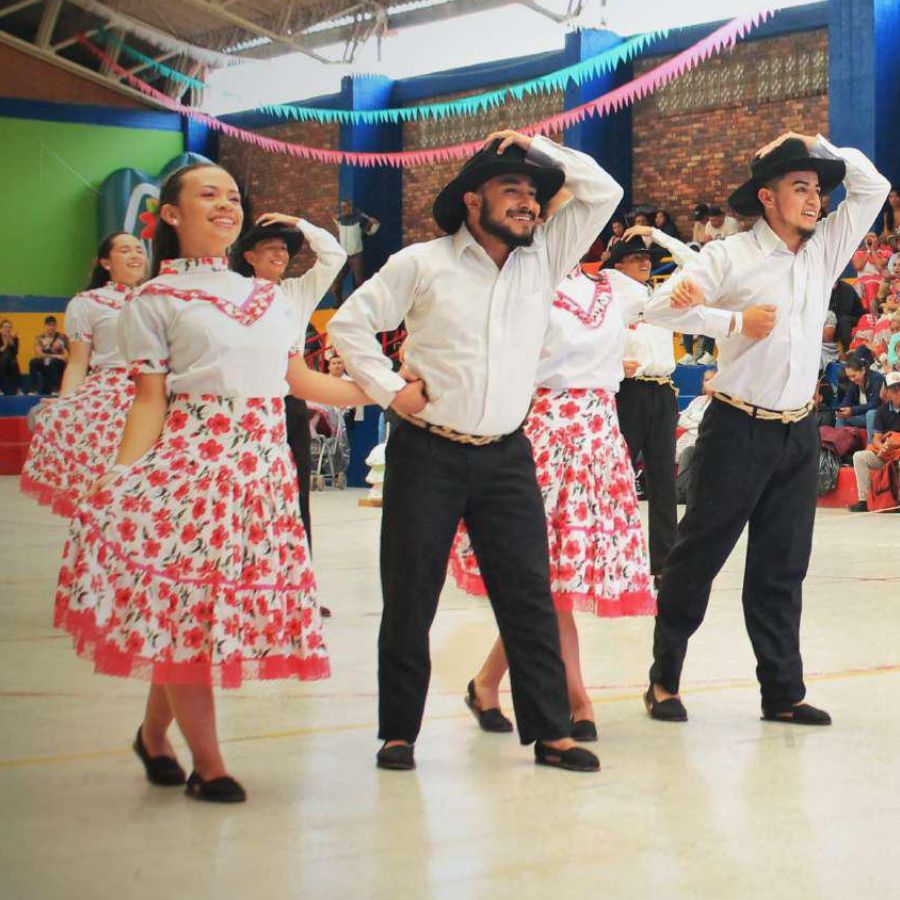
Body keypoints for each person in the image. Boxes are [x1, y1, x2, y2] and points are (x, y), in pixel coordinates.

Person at [53, 163, 371, 803]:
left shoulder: (269, 298)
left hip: (262, 470)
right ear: (170, 215)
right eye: (208, 195)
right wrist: (118, 481)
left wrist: (388, 393)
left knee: (187, 620)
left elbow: (300, 382)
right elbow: (147, 401)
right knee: (190, 612)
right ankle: (210, 762)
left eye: (232, 196)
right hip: (190, 467)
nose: (226, 205)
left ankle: (151, 735)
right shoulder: (152, 303)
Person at [330, 129, 622, 774]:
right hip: (428, 451)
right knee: (411, 595)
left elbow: (605, 190)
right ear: (471, 200)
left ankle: (551, 733)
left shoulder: (543, 256)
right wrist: (386, 391)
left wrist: (539, 146)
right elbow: (350, 323)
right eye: (510, 189)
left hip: (506, 454)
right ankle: (398, 733)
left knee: (528, 593)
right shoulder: (421, 262)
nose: (527, 202)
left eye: (533, 193)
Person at [641, 130, 889, 725]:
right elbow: (659, 309)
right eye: (800, 187)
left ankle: (782, 692)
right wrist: (732, 322)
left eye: (817, 189)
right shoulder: (729, 257)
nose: (815, 200)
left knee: (782, 566)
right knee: (698, 555)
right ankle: (663, 680)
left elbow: (873, 185)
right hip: (737, 427)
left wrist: (820, 145)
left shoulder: (824, 248)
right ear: (766, 197)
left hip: (798, 432)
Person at [449, 255, 660, 742]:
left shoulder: (620, 289)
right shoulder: (531, 285)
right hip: (546, 432)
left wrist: (729, 319)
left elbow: (677, 309)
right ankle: (576, 698)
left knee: (555, 582)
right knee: (546, 580)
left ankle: (485, 683)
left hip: (601, 436)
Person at [230, 211, 346, 551]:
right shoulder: (235, 294)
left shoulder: (299, 291)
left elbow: (335, 255)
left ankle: (299, 578)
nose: (280, 254)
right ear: (250, 257)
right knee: (251, 488)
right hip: (249, 399)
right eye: (270, 248)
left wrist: (297, 222)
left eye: (284, 249)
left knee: (296, 487)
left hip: (291, 396)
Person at [20, 233, 146, 515]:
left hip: (156, 390)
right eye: (125, 250)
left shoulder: (159, 296)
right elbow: (78, 361)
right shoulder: (87, 303)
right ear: (105, 262)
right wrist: (67, 402)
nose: (136, 255)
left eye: (139, 249)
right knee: (108, 486)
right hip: (110, 396)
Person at [611, 225, 699, 584]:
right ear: (618, 266)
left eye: (646, 258)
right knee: (617, 477)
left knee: (663, 479)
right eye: (634, 259)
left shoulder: (662, 297)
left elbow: (694, 261)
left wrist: (656, 235)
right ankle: (612, 557)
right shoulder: (610, 294)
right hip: (628, 390)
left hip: (663, 391)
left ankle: (663, 563)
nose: (643, 264)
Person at [849, 371, 900, 511]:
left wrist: (896, 440)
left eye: (899, 388)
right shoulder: (882, 410)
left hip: (898, 452)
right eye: (893, 389)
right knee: (859, 457)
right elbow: (876, 438)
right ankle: (864, 501)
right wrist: (882, 446)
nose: (897, 392)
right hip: (885, 452)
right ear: (887, 392)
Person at [332, 199, 379, 306]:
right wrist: (336, 218)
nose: (343, 209)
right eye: (342, 207)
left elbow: (370, 231)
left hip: (356, 255)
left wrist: (375, 224)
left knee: (359, 281)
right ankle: (338, 304)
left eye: (345, 207)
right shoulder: (340, 220)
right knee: (337, 281)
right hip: (344, 256)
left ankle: (361, 304)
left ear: (350, 207)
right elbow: (335, 220)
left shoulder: (360, 219)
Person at [837, 353, 885, 444]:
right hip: (862, 416)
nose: (851, 379)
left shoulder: (876, 378)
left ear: (863, 370)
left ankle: (871, 448)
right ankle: (837, 450)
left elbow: (875, 404)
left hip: (877, 417)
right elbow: (848, 398)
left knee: (870, 414)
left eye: (854, 376)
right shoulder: (854, 382)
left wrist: (852, 410)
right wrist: (841, 409)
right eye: (849, 377)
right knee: (841, 417)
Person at [28, 315, 69, 395]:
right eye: (49, 325)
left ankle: (56, 389)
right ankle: (33, 389)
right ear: (45, 326)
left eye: (53, 325)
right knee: (33, 362)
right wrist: (56, 356)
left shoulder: (61, 337)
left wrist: (63, 357)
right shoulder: (39, 338)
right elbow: (39, 355)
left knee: (54, 362)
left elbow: (69, 352)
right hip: (45, 364)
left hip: (57, 365)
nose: (51, 327)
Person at [829, 278, 866, 353]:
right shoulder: (824, 289)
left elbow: (846, 310)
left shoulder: (846, 288)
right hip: (837, 317)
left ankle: (847, 349)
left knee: (843, 320)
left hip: (855, 318)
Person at [0, 318, 21, 395]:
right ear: (1, 329)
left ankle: (18, 389)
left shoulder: (14, 338)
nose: (7, 329)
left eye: (9, 327)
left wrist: (10, 341)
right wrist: (5, 345)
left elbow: (15, 352)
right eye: (5, 327)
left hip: (11, 360)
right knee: (4, 359)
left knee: (13, 364)